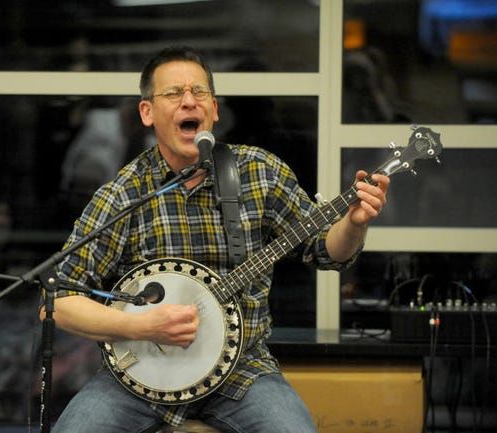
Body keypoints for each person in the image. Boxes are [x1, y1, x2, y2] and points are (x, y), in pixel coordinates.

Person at [40, 46, 390, 433]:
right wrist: (144, 327)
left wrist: (355, 223)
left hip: (243, 373)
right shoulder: (124, 193)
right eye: (173, 93)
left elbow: (326, 251)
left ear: (215, 109)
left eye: (200, 92)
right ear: (147, 112)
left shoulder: (259, 172)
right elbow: (58, 300)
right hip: (138, 379)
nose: (189, 101)